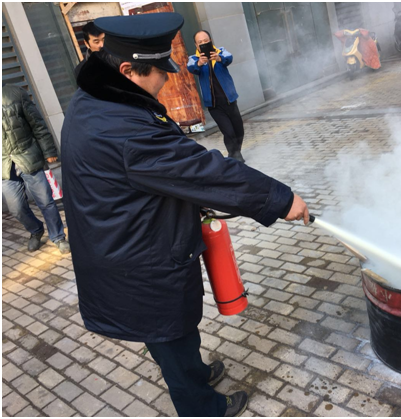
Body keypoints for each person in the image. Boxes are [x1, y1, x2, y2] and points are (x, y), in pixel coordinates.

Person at [61, 13, 309, 417]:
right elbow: (201, 171)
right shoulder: (122, 128)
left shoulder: (97, 99)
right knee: (169, 337)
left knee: (177, 332)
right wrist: (281, 199)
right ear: (127, 71)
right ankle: (202, 408)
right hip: (138, 260)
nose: (166, 79)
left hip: (130, 244)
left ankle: (197, 372)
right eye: (160, 72)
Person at [2, 84, 70, 254]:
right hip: (4, 165)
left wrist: (49, 151)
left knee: (45, 201)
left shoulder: (15, 93)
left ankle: (58, 237)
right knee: (16, 208)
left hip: (27, 156)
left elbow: (37, 124)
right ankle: (36, 230)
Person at [187, 30, 246, 163]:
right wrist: (200, 63)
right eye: (200, 42)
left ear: (210, 41)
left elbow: (229, 57)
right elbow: (191, 67)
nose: (203, 43)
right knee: (229, 132)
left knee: (239, 131)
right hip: (214, 105)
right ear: (196, 45)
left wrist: (219, 58)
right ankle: (236, 159)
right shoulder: (194, 59)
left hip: (230, 100)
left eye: (206, 41)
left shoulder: (220, 51)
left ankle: (234, 154)